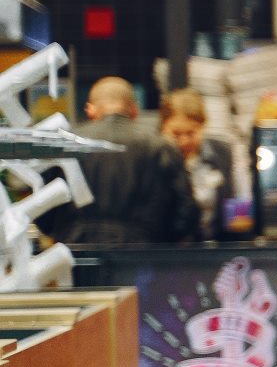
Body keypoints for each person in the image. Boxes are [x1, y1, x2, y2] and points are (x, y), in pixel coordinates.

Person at [38, 77, 201, 245]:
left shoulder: (65, 145)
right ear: (134, 110)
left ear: (90, 110)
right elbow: (186, 212)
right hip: (143, 256)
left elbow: (43, 212)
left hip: (78, 254)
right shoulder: (161, 147)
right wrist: (163, 241)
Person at [158, 88, 230, 239]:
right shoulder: (154, 156)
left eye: (191, 133)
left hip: (215, 245)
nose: (184, 141)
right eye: (176, 134)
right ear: (163, 128)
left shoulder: (221, 152)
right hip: (169, 247)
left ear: (203, 126)